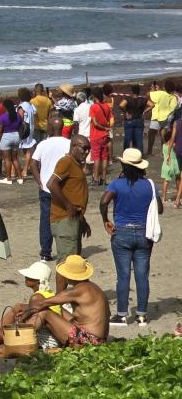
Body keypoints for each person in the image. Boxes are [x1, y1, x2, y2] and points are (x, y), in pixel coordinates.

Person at [99, 148, 161, 327]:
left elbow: (104, 202)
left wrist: (106, 220)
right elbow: (160, 209)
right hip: (144, 233)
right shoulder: (150, 185)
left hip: (122, 233)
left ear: (124, 165)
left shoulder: (117, 185)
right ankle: (142, 315)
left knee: (123, 275)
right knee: (142, 275)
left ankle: (122, 315)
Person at [23, 255, 110, 347]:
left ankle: (22, 339)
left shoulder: (78, 291)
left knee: (45, 312)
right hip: (99, 338)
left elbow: (42, 303)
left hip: (89, 341)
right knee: (59, 309)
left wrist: (23, 316)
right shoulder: (92, 287)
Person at [0, 261, 61, 351]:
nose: (26, 278)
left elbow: (25, 324)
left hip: (44, 341)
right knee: (16, 310)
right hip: (52, 338)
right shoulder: (49, 294)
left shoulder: (37, 297)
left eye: (30, 276)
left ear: (39, 280)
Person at [48, 134, 93, 267]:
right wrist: (68, 206)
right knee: (66, 265)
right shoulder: (66, 162)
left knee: (74, 263)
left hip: (73, 219)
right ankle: (62, 289)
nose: (86, 152)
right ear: (73, 146)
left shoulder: (76, 164)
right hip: (64, 220)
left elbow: (74, 192)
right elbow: (51, 184)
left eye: (88, 149)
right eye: (84, 148)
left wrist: (82, 220)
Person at [31, 117, 71, 262]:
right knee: (66, 217)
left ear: (50, 128)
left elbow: (33, 164)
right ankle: (66, 249)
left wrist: (39, 181)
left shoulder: (43, 144)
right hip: (63, 187)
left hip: (46, 187)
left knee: (46, 220)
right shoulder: (68, 144)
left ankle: (45, 252)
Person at [89, 87, 114, 186]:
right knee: (104, 157)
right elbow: (110, 119)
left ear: (94, 97)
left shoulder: (93, 107)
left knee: (96, 158)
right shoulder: (107, 106)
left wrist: (104, 128)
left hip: (96, 135)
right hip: (105, 135)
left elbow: (94, 123)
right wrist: (107, 128)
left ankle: (95, 178)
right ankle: (103, 178)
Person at [146, 79, 177, 156]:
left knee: (151, 133)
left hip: (157, 116)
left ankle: (149, 151)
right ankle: (164, 152)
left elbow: (148, 94)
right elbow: (174, 107)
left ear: (165, 88)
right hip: (167, 117)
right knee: (163, 134)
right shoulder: (173, 97)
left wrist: (153, 90)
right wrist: (158, 91)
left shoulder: (160, 93)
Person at [0, 99, 22, 184]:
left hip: (6, 136)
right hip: (16, 135)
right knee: (15, 158)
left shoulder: (3, 117)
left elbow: (0, 130)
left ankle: (8, 178)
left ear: (5, 107)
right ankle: (20, 178)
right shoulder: (18, 116)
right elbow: (20, 126)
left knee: (7, 159)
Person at [120, 84, 150, 152]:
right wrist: (145, 111)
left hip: (129, 121)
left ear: (132, 91)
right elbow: (152, 105)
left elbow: (121, 105)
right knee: (139, 139)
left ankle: (126, 154)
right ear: (139, 91)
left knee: (127, 139)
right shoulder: (143, 99)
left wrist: (126, 112)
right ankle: (139, 155)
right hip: (139, 120)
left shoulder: (128, 99)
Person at [17, 88, 37, 181]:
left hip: (23, 130)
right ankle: (26, 169)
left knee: (16, 150)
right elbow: (35, 113)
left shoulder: (21, 106)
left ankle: (21, 170)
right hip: (31, 128)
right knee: (28, 149)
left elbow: (19, 118)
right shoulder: (31, 105)